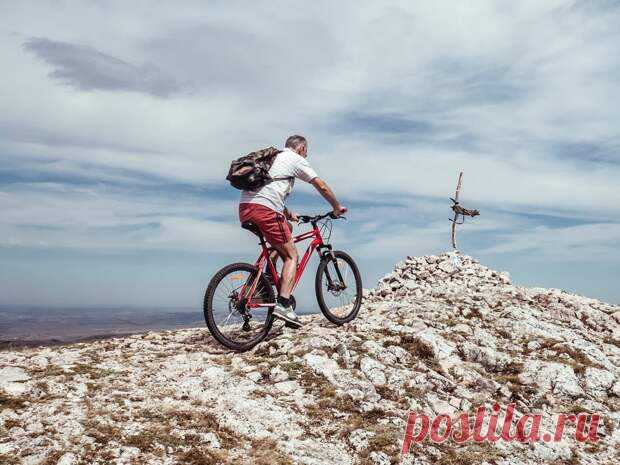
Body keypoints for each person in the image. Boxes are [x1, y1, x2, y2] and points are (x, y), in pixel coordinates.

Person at [238, 135, 346, 328]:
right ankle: (283, 304)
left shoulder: (272, 159)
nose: (306, 154)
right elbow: (320, 185)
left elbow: (267, 191)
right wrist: (336, 207)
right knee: (291, 255)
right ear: (301, 148)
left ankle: (267, 279)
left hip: (246, 209)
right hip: (266, 210)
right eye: (306, 151)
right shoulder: (295, 159)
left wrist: (288, 213)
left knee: (285, 230)